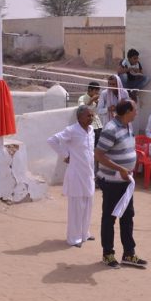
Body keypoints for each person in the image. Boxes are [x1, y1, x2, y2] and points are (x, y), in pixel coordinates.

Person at [95, 99, 147, 269]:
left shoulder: (127, 125)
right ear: (127, 112)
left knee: (127, 217)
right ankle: (108, 254)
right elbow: (99, 155)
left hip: (126, 182)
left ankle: (129, 254)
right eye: (135, 109)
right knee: (109, 218)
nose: (136, 112)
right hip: (112, 182)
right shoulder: (110, 129)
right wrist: (120, 168)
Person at [47, 105, 97, 248]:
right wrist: (65, 155)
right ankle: (74, 238)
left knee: (88, 205)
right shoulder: (71, 130)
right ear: (79, 117)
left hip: (88, 173)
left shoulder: (91, 130)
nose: (91, 118)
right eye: (88, 115)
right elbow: (52, 140)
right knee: (76, 207)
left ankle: (84, 233)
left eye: (92, 115)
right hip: (76, 174)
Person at [78, 81, 103, 147]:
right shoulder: (82, 98)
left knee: (98, 146)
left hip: (99, 125)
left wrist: (97, 104)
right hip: (90, 126)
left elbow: (98, 112)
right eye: (95, 91)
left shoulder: (97, 100)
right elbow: (82, 110)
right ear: (90, 90)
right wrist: (91, 100)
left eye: (98, 91)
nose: (97, 93)